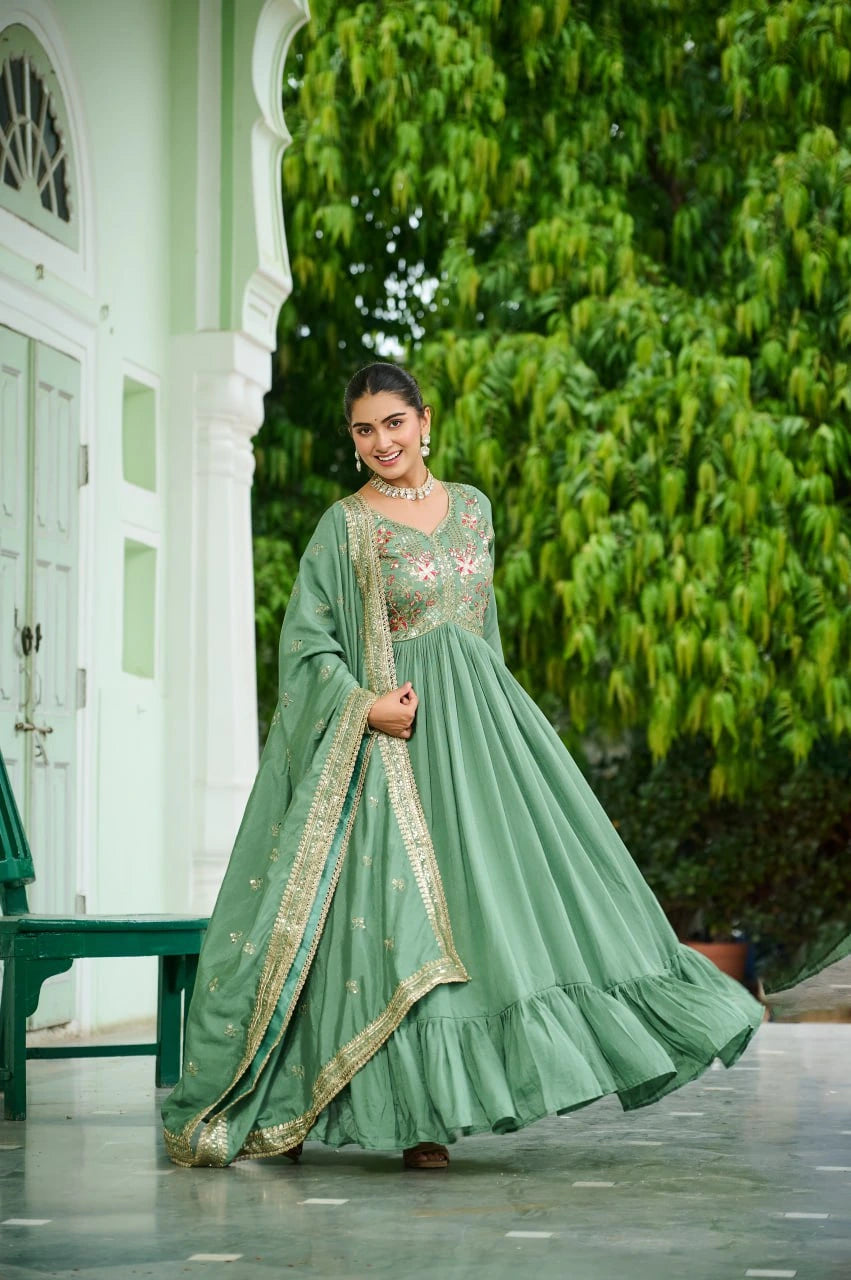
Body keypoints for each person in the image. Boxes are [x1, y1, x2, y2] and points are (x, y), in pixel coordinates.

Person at [162, 361, 764, 1170]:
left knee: (507, 904)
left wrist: (506, 743)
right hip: (392, 742)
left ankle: (447, 1106)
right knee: (391, 918)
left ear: (425, 420)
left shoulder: (474, 509)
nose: (381, 441)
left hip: (481, 739)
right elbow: (304, 647)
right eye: (364, 429)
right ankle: (401, 1114)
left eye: (394, 423)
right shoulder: (343, 527)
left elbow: (483, 632)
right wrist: (362, 705)